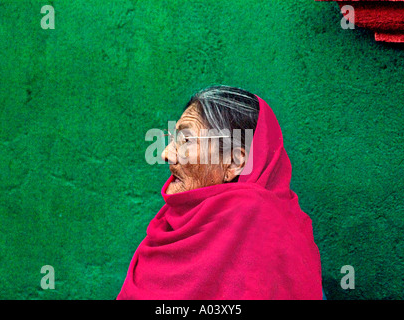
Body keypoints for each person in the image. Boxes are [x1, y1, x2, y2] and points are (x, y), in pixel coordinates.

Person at [117, 86, 323, 299]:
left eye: (186, 140)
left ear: (233, 162)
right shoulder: (170, 225)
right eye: (174, 138)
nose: (166, 154)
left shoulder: (261, 221)